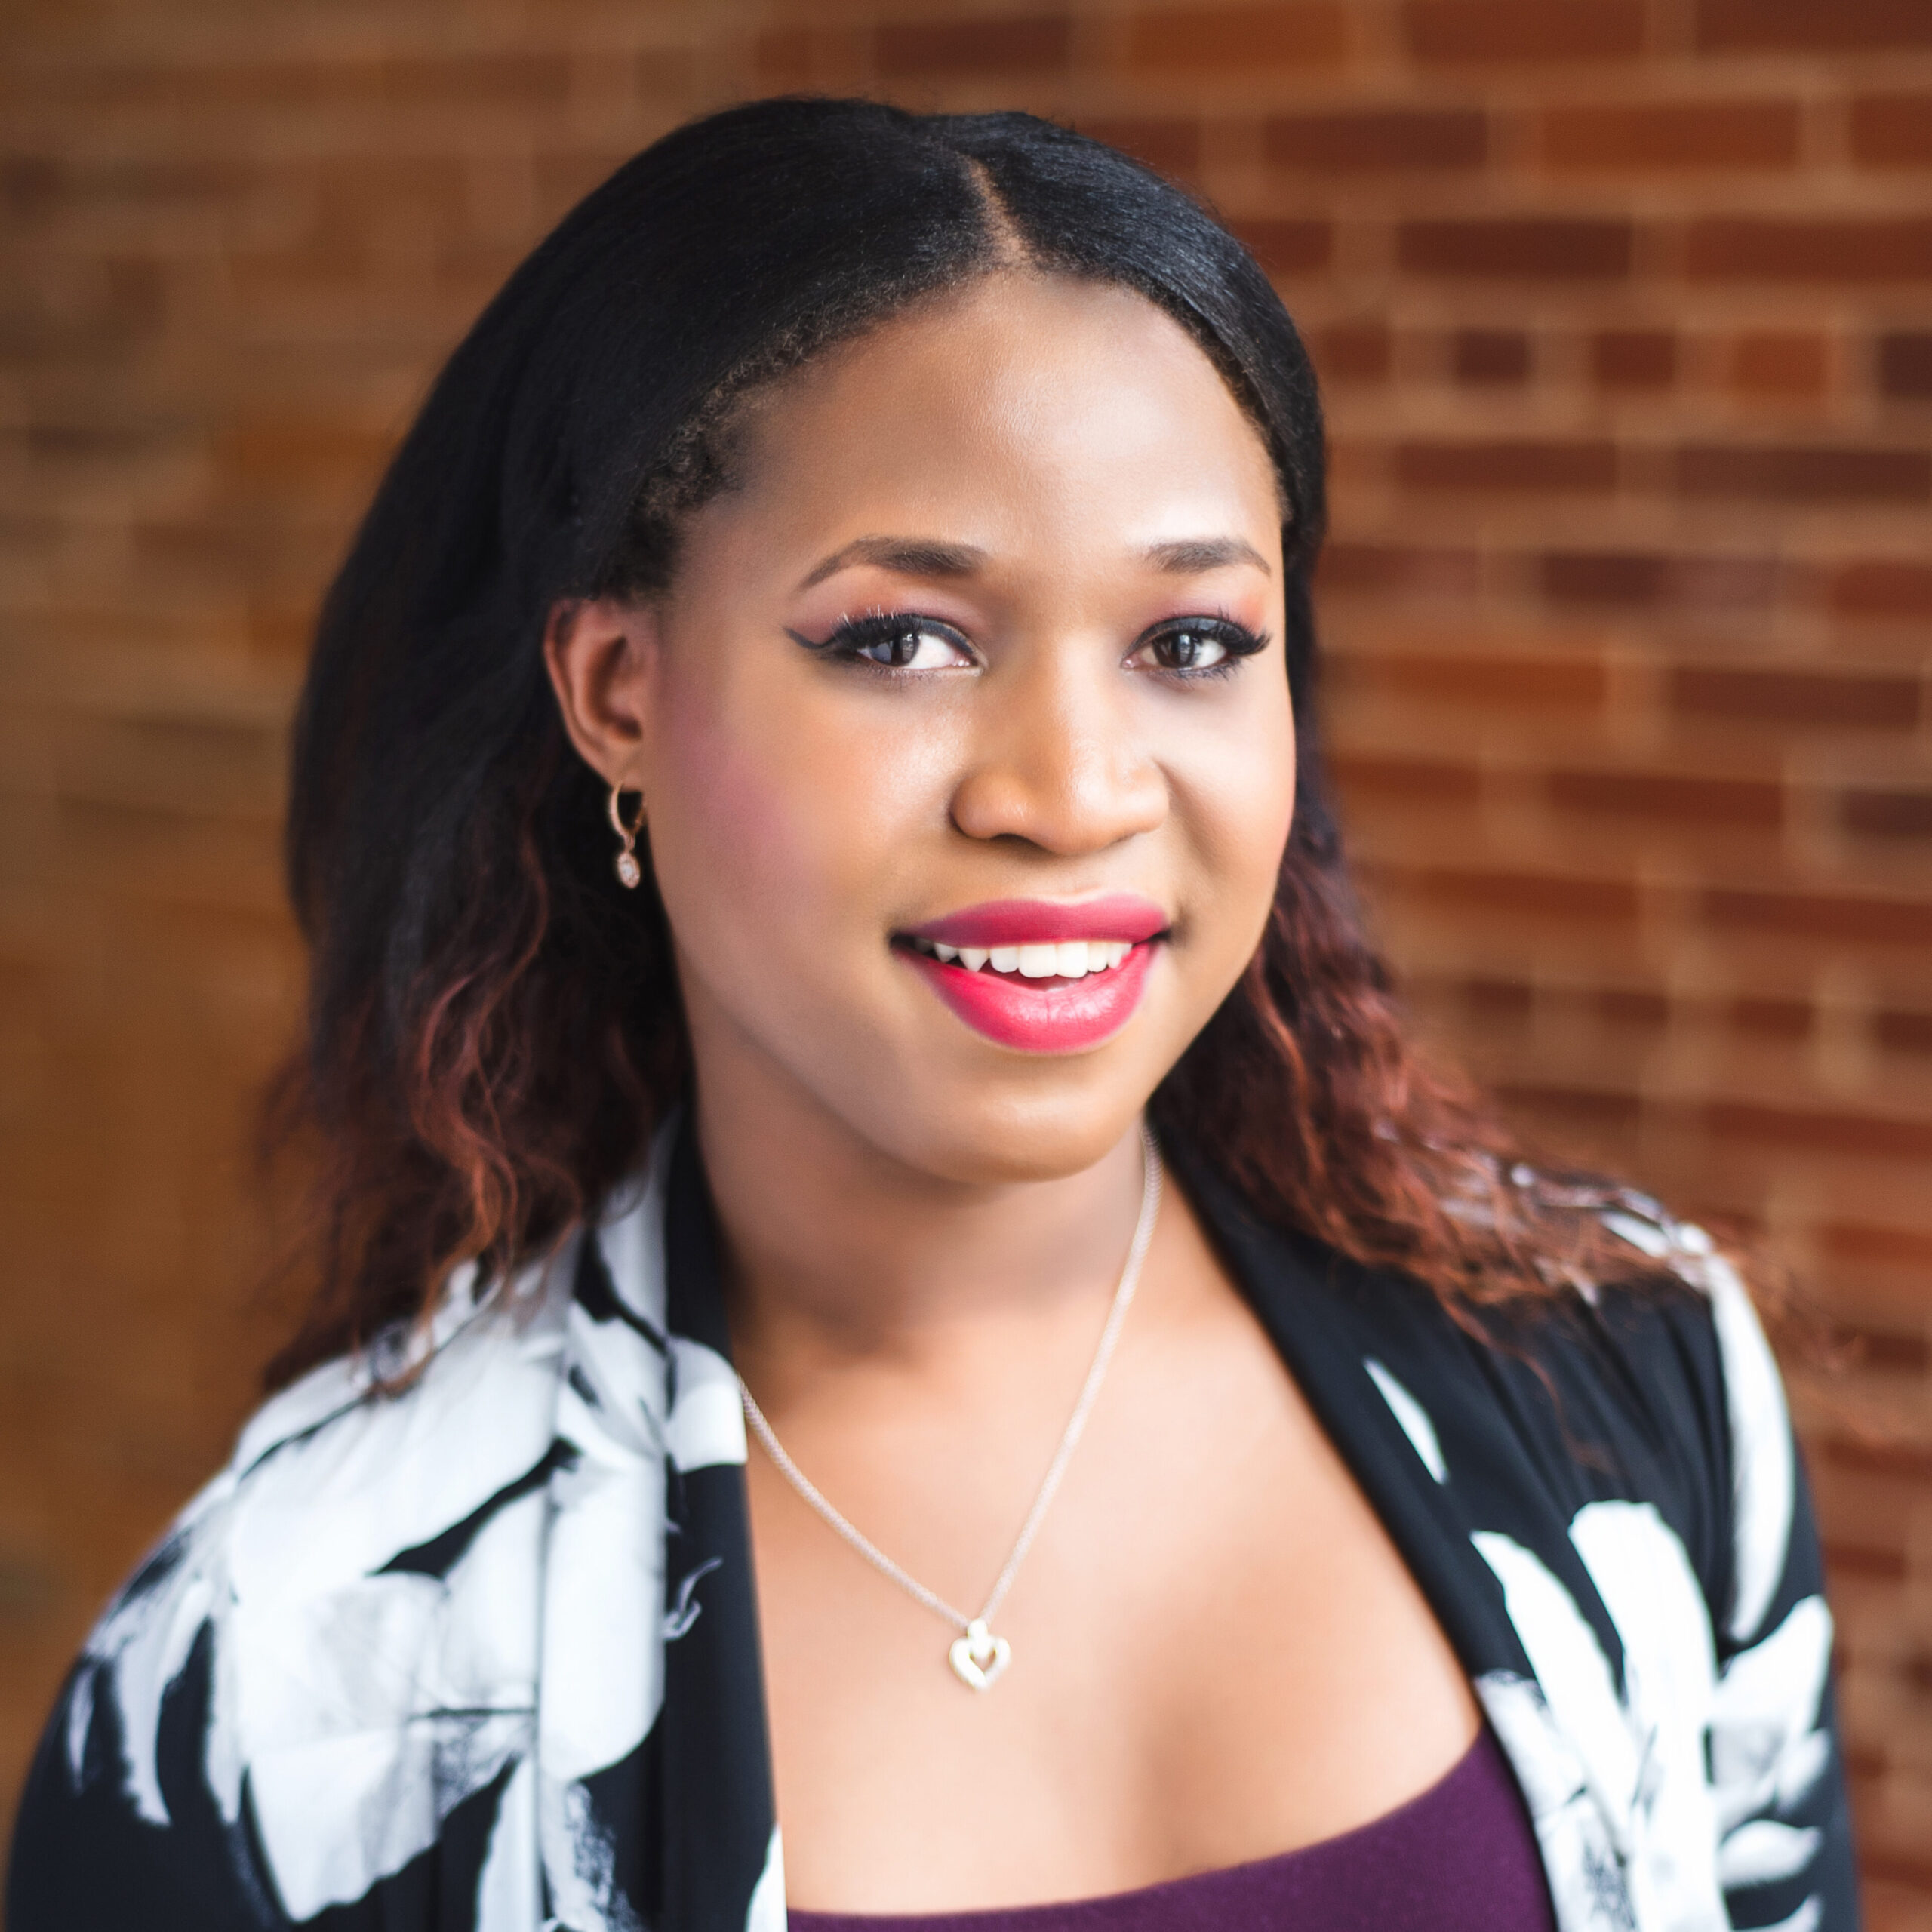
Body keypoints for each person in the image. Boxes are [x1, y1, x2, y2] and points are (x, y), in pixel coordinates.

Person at [6, 97, 1855, 1932]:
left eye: (1189, 642)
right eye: (900, 638)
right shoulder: (290, 1670)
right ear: (615, 688)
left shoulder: (1626, 1380)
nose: (1067, 788)